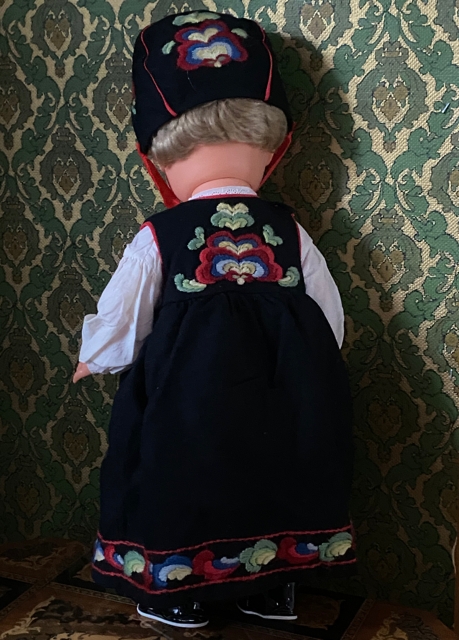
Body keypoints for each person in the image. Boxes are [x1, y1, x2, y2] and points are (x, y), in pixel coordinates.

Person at [73, 11, 355, 630]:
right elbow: (326, 311)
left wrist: (98, 354)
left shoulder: (162, 233)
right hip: (284, 393)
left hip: (186, 401)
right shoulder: (288, 229)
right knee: (281, 478)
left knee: (180, 478)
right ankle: (272, 584)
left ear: (161, 156)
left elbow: (126, 308)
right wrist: (320, 363)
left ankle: (178, 589)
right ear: (271, 149)